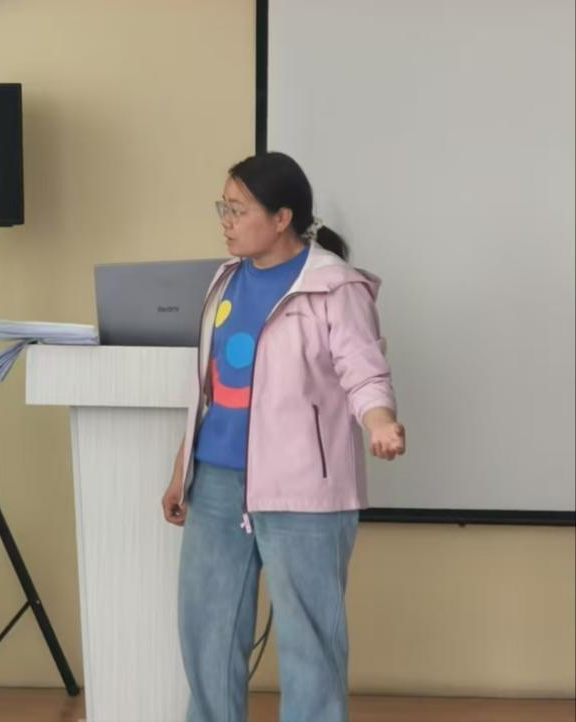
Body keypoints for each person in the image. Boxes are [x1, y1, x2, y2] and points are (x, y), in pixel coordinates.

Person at [161, 152, 406, 722]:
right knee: (207, 634)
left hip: (303, 489)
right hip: (216, 483)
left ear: (281, 218)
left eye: (238, 209)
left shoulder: (334, 287)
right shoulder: (225, 280)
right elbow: (210, 388)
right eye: (223, 207)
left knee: (309, 644)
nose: (225, 221)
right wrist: (182, 471)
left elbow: (364, 371)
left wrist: (380, 422)